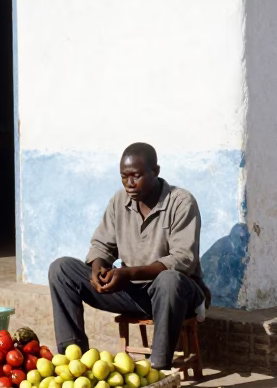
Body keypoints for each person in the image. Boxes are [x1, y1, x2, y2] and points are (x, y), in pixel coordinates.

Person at [48, 142, 209, 371]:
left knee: (169, 280)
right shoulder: (119, 202)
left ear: (156, 171)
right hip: (132, 292)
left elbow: (183, 259)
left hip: (175, 296)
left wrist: (129, 272)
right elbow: (102, 245)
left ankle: (157, 370)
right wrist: (98, 268)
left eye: (136, 176)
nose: (129, 184)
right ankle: (74, 361)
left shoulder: (181, 202)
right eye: (124, 177)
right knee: (61, 269)